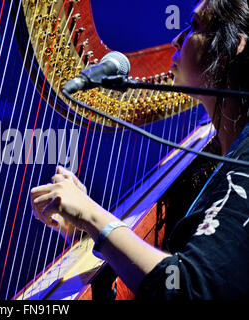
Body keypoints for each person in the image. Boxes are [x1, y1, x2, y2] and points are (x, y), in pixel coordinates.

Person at [30, 0, 249, 299]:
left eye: (195, 26)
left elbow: (186, 288)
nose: (176, 39)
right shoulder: (221, 152)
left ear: (232, 50)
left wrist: (92, 215)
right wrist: (85, 231)